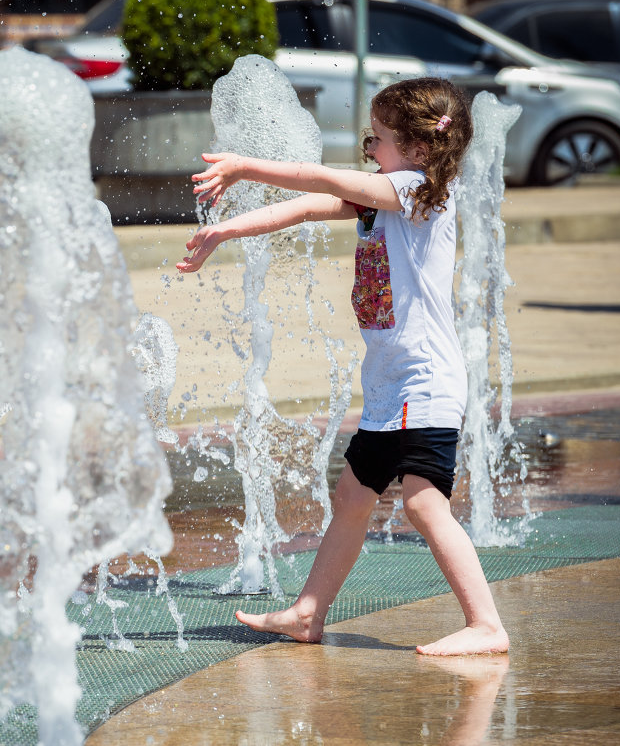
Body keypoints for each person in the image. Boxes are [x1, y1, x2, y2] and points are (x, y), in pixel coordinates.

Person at [177, 77, 509, 656]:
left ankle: (486, 624)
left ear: (420, 148)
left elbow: (321, 179)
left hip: (425, 380)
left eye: (377, 140)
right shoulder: (385, 194)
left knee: (423, 502)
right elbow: (310, 204)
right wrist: (226, 229)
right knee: (353, 498)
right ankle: (308, 612)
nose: (369, 151)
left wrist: (245, 166)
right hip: (390, 385)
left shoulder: (419, 192)